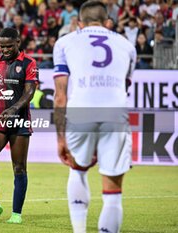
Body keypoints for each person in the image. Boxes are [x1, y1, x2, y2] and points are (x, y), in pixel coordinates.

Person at [53, 1, 136, 233]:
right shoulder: (127, 46)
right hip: (115, 112)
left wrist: (60, 138)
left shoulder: (65, 42)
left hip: (81, 111)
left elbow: (60, 96)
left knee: (77, 169)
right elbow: (124, 87)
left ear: (79, 24)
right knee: (113, 193)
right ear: (108, 23)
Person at [0, 27, 39, 224]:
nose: (5, 50)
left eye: (8, 46)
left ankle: (16, 213)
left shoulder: (29, 63)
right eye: (2, 46)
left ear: (18, 43)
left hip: (19, 122)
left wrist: (14, 108)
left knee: (19, 168)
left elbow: (30, 92)